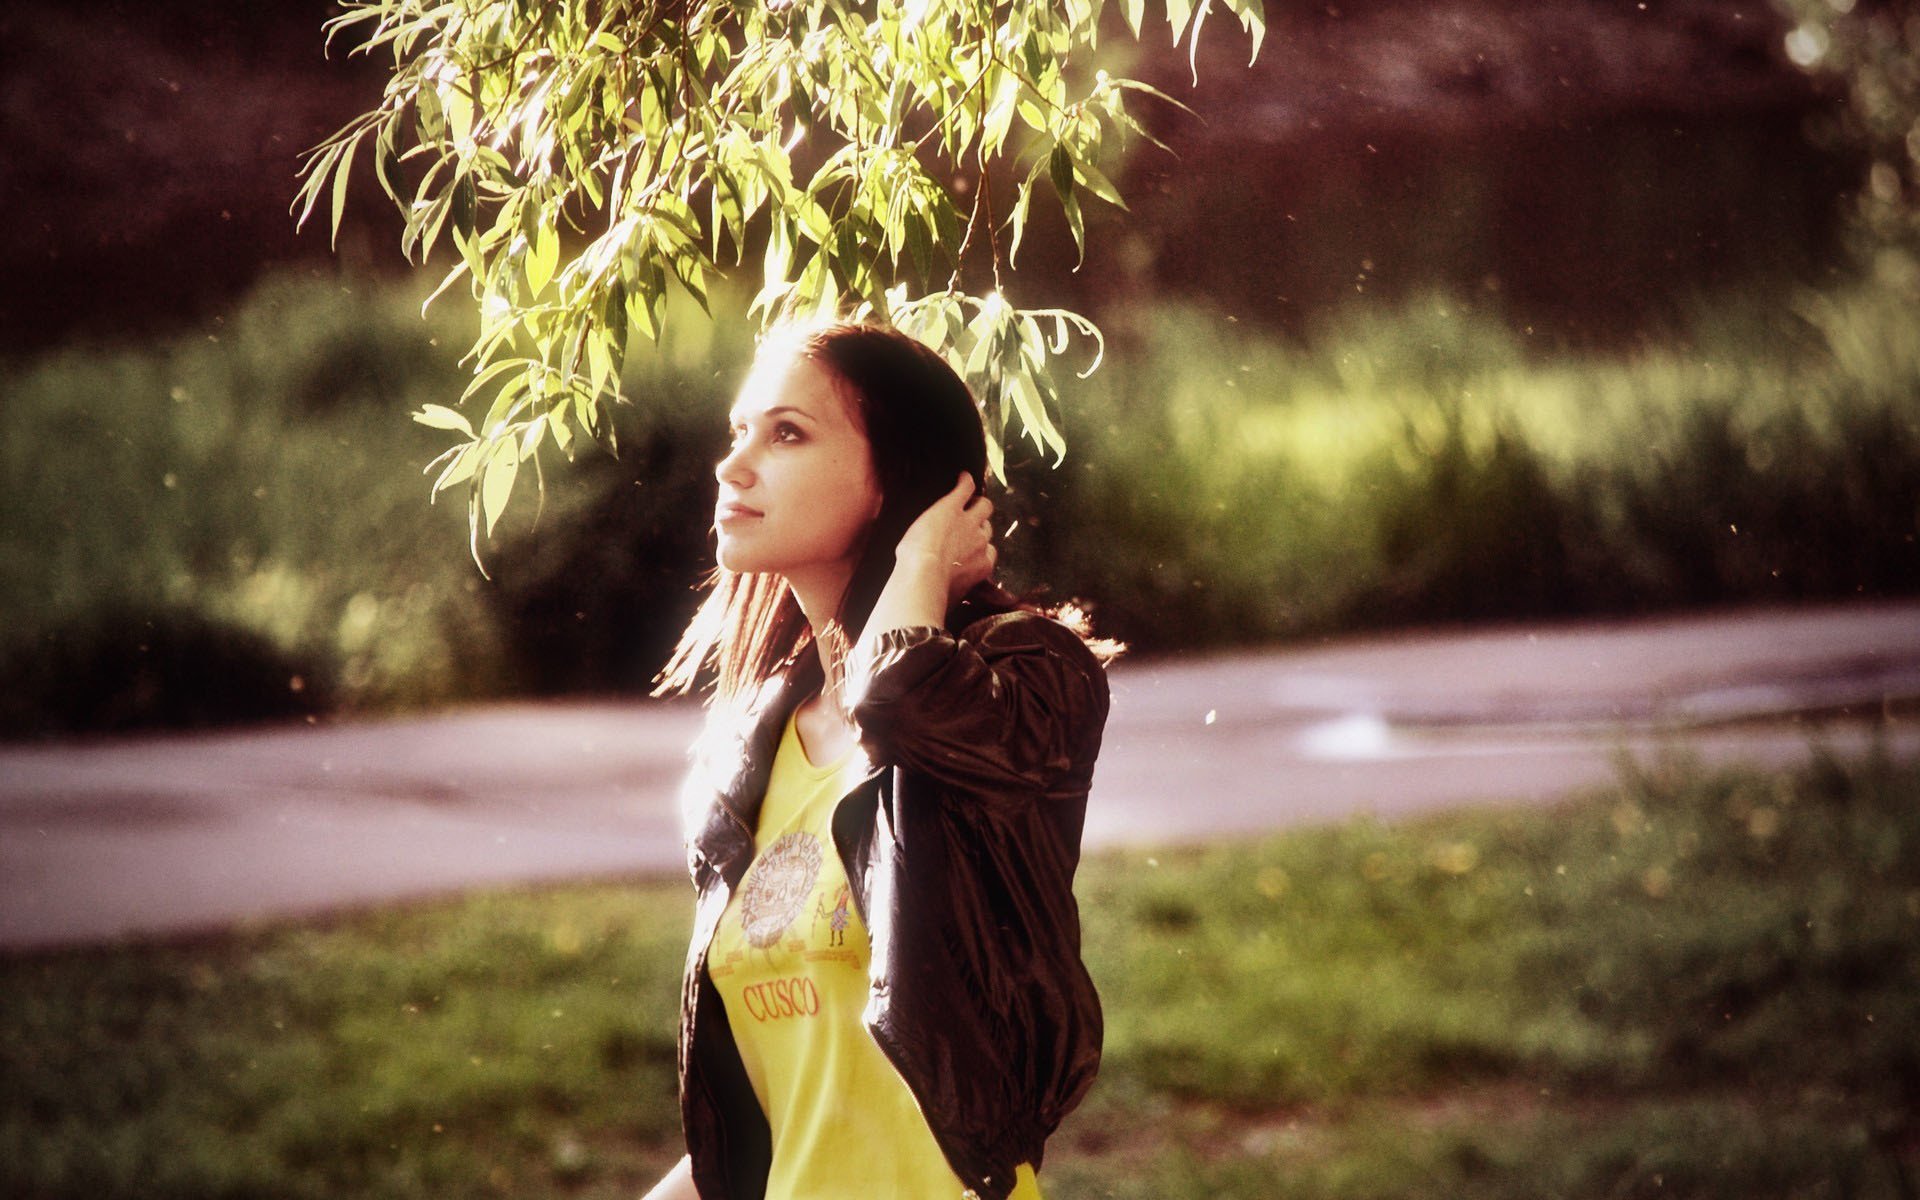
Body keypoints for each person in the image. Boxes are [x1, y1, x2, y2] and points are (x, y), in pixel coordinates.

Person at [643, 320, 1116, 1200]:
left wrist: (926, 554)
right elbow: (771, 1119)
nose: (733, 465)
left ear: (897, 475)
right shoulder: (753, 749)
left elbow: (898, 695)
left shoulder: (1023, 681)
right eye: (739, 432)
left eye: (787, 433)